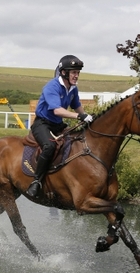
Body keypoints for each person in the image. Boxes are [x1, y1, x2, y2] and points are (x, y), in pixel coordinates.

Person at [25, 55, 94, 198]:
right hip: (42, 124)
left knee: (76, 142)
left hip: (57, 125)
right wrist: (79, 117)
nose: (76, 76)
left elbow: (77, 107)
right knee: (49, 147)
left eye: (78, 73)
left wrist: (88, 117)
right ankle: (36, 181)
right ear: (64, 73)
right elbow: (57, 110)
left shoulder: (73, 88)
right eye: (74, 72)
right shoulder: (52, 86)